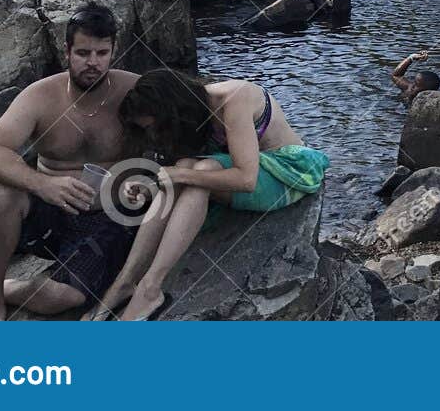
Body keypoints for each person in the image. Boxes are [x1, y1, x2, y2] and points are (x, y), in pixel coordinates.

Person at [81, 70, 328, 321]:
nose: (156, 136)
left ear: (174, 111)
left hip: (289, 172)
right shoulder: (196, 112)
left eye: (157, 128)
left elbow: (246, 179)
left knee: (199, 171)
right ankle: (124, 282)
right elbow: (181, 169)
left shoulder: (234, 101)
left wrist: (177, 175)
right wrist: (153, 185)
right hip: (238, 174)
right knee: (188, 165)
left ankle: (151, 288)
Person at [0, 5, 141, 320]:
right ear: (67, 51)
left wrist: (141, 178)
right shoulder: (40, 96)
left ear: (114, 50)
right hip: (50, 212)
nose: (93, 63)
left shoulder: (133, 90)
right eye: (83, 53)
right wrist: (43, 183)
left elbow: (178, 134)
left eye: (102, 53)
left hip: (104, 218)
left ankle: (9, 290)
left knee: (61, 299)